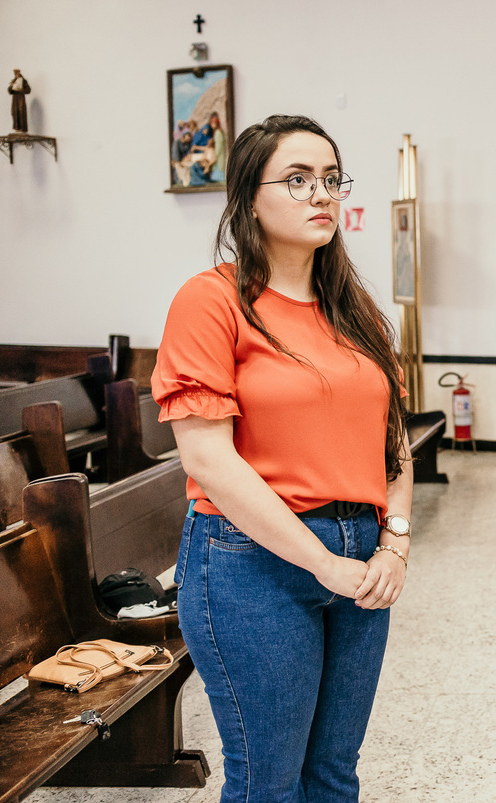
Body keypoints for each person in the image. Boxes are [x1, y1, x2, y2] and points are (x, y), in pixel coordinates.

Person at [152, 114, 412, 802]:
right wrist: (321, 560)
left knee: (333, 773)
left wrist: (395, 545)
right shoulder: (212, 301)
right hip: (251, 563)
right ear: (248, 199)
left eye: (330, 178)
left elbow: (394, 443)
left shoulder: (354, 310)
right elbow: (209, 460)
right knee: (269, 779)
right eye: (297, 180)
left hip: (362, 555)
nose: (320, 193)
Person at [8, 68, 30, 132]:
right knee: (14, 112)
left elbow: (28, 90)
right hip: (15, 98)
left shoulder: (23, 81)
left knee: (21, 111)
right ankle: (17, 128)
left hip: (20, 97)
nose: (16, 74)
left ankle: (22, 128)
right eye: (15, 73)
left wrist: (21, 90)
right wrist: (12, 86)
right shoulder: (14, 81)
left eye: (17, 72)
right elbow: (9, 90)